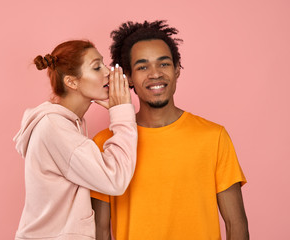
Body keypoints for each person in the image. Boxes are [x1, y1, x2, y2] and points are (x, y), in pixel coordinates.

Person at [91, 21, 249, 240]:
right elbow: (99, 231)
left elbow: (236, 224)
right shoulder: (106, 143)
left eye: (163, 64)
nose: (155, 74)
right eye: (143, 67)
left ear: (177, 70)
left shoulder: (213, 137)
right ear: (128, 77)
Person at [13, 40, 138, 240]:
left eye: (104, 64)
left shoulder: (65, 124)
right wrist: (122, 114)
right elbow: (115, 180)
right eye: (97, 67)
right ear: (72, 82)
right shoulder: (55, 128)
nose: (108, 72)